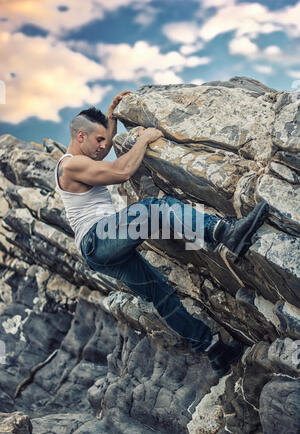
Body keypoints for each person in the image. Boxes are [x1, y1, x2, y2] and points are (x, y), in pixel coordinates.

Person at [54, 90, 269, 378]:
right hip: (99, 238)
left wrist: (110, 117)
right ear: (80, 136)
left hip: (98, 251)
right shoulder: (70, 164)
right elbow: (120, 173)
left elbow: (103, 155)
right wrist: (143, 138)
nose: (103, 146)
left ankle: (213, 350)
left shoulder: (80, 159)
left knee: (160, 292)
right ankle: (224, 232)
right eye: (98, 139)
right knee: (156, 208)